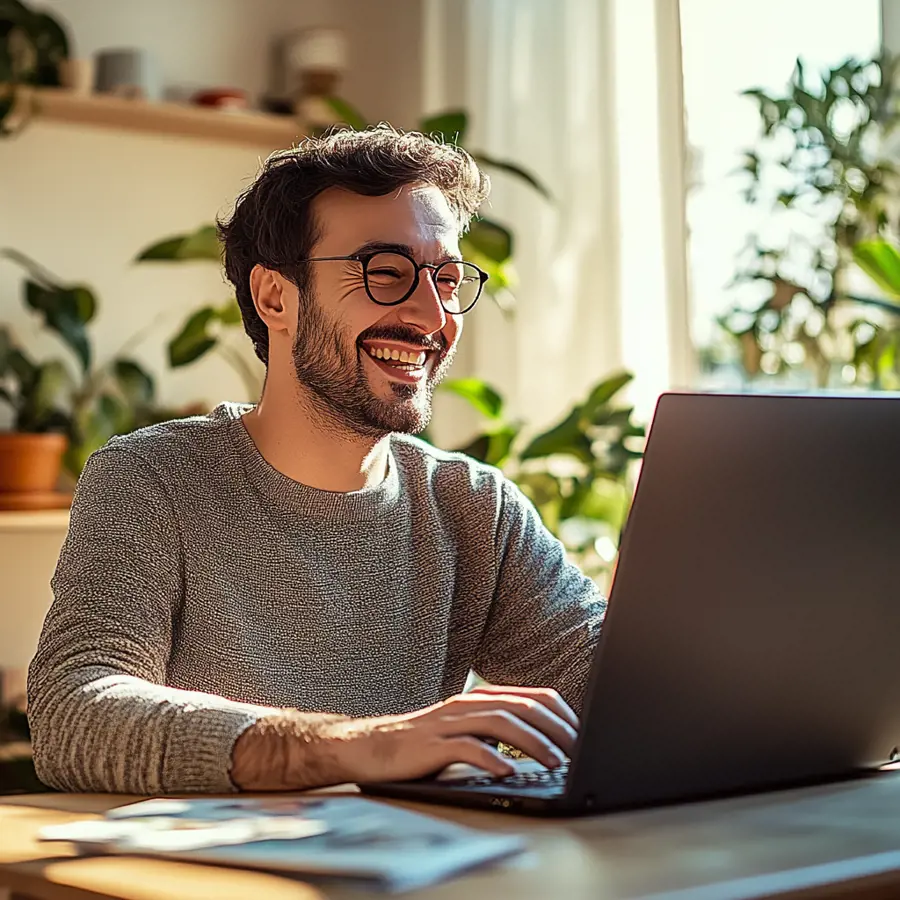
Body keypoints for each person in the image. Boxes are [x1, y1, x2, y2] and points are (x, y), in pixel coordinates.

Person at [27, 126, 605, 795]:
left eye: (446, 279)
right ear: (276, 297)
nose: (430, 314)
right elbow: (75, 710)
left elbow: (617, 690)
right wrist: (351, 746)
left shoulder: (474, 508)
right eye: (386, 273)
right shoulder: (152, 481)